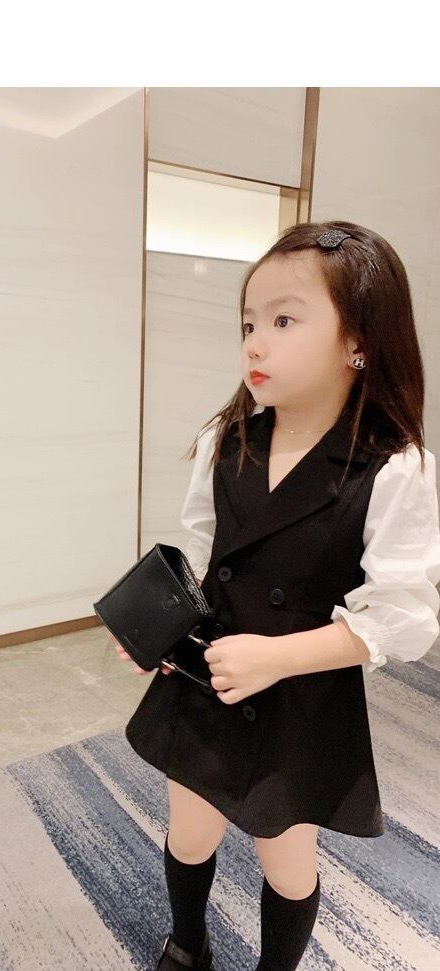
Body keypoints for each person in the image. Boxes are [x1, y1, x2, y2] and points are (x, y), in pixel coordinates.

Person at [111, 221, 440, 970]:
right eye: (248, 324)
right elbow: (201, 552)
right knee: (189, 830)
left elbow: (401, 618)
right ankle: (187, 944)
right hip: (207, 679)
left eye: (284, 321)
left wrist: (277, 658)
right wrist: (156, 624)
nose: (255, 344)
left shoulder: (394, 468)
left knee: (286, 858)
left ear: (359, 341)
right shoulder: (226, 438)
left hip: (300, 698)